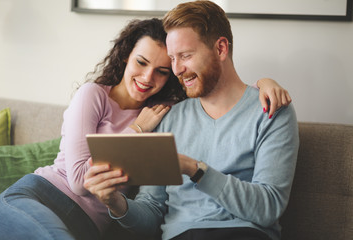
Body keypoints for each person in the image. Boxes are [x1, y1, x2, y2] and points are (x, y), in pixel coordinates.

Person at [0, 17, 290, 240]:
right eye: (141, 62)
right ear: (125, 55)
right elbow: (79, 182)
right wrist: (136, 129)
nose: (148, 77)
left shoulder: (165, 113)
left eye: (163, 71)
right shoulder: (94, 95)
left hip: (86, 226)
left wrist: (265, 83)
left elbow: (219, 90)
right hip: (40, 196)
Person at [83, 1, 299, 240]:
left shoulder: (271, 110)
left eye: (185, 56)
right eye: (173, 59)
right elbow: (151, 215)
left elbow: (267, 207)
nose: (177, 69)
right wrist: (115, 202)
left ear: (220, 49)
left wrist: (195, 170)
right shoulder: (169, 118)